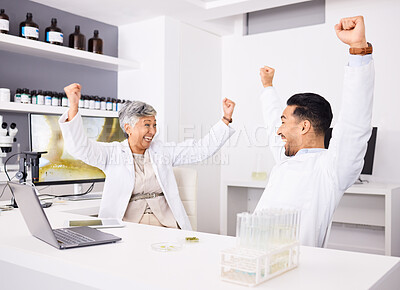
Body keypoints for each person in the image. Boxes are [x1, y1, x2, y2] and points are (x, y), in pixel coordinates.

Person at [256, 16, 374, 247]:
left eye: (284, 122)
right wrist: (268, 86)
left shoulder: (331, 169)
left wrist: (358, 50)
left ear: (304, 126)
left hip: (295, 270)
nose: (278, 130)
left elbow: (354, 125)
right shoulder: (285, 159)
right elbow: (272, 122)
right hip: (253, 261)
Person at [59, 85, 235, 230]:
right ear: (128, 128)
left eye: (154, 125)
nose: (153, 131)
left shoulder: (162, 151)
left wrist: (226, 119)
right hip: (128, 226)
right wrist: (73, 107)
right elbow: (80, 148)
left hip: (166, 225)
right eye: (147, 125)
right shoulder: (112, 153)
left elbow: (200, 150)